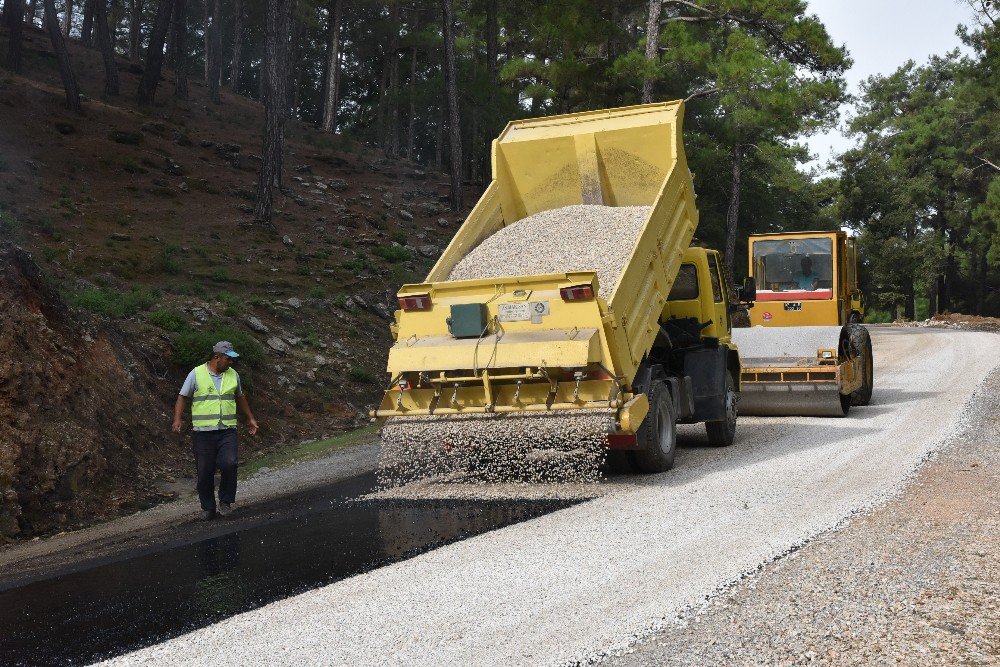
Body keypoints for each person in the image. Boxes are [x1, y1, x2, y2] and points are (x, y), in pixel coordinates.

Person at [172, 341, 259, 520]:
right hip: (203, 433)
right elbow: (182, 396)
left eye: (232, 359)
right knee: (204, 471)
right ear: (217, 358)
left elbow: (240, 397)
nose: (231, 362)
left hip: (227, 430)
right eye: (228, 359)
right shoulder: (196, 374)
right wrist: (177, 419)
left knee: (230, 463)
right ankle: (208, 508)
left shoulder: (233, 375)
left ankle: (225, 502)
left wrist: (250, 418)